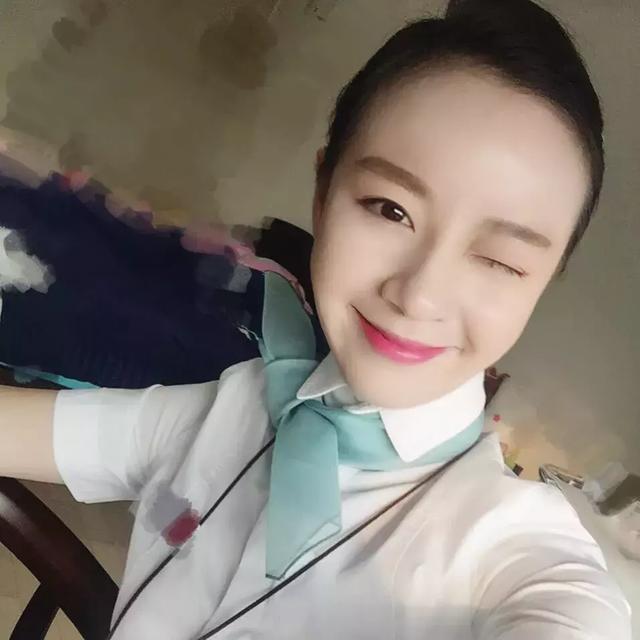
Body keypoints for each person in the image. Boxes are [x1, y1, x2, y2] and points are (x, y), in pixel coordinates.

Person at [0, 0, 633, 638]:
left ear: (541, 284)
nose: (419, 295)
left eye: (499, 260)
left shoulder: (513, 555)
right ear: (323, 194)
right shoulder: (233, 407)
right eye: (390, 210)